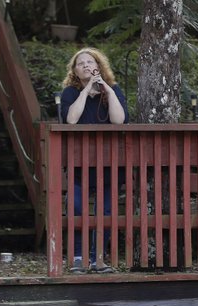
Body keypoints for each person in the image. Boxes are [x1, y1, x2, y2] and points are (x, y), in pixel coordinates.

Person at [59, 47, 128, 273]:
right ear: (75, 71)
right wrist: (87, 88)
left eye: (90, 62)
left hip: (109, 163)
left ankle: (98, 257)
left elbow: (119, 120)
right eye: (81, 63)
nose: (86, 65)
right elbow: (71, 120)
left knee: (106, 211)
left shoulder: (113, 90)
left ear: (99, 66)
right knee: (77, 208)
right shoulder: (70, 92)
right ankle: (79, 256)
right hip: (80, 164)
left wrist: (105, 88)